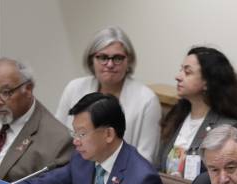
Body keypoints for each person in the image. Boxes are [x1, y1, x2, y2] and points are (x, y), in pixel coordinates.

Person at [13, 93, 165, 184]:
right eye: (75, 133)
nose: (75, 141)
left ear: (108, 134)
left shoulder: (143, 178)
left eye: (82, 134)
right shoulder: (82, 160)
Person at [55, 27, 161, 163]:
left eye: (117, 58)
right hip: (74, 171)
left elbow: (146, 156)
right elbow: (58, 140)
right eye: (103, 57)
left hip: (122, 178)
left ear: (128, 61)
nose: (110, 64)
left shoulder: (147, 100)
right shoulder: (74, 88)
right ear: (91, 60)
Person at [159, 47, 237, 179]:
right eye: (181, 70)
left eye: (187, 72)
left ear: (207, 82)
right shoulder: (177, 115)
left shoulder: (226, 127)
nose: (178, 77)